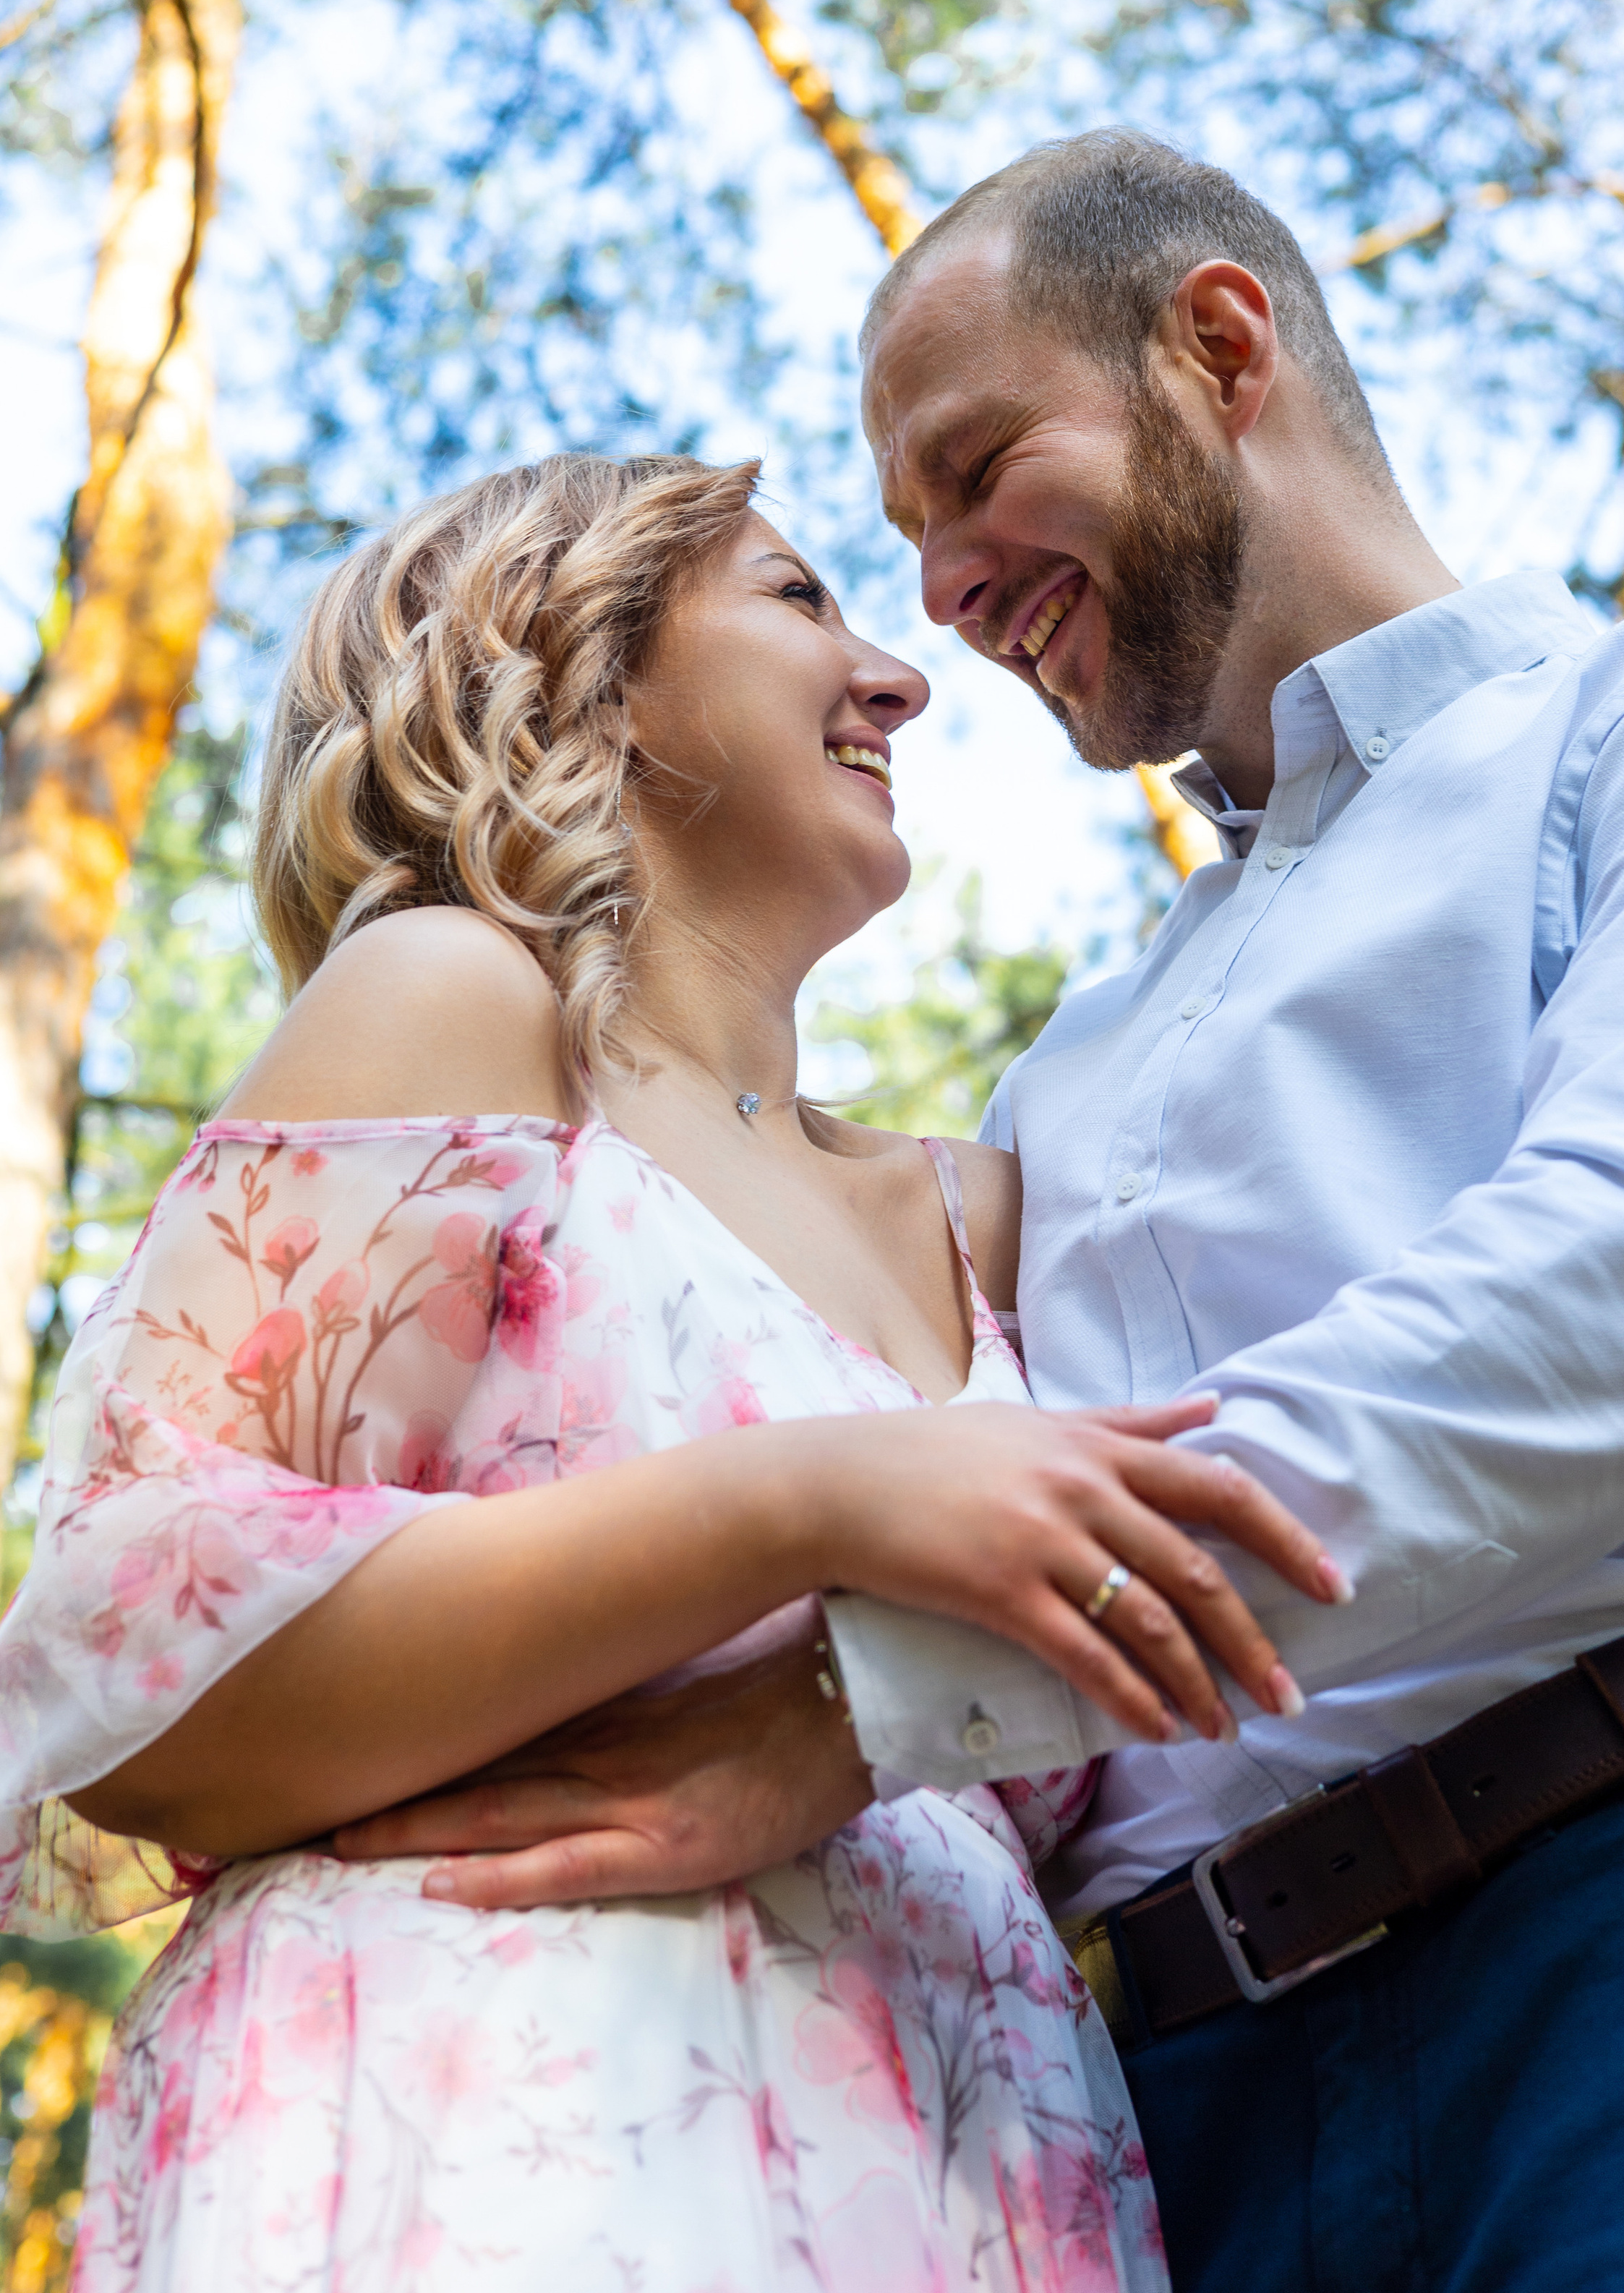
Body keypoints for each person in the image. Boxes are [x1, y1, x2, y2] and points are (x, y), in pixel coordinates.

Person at [354, 134, 1624, 2293]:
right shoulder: (1069, 1072)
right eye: (895, 540)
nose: (943, 595)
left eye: (978, 469)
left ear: (1217, 345)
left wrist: (860, 1706)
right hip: (1169, 2118)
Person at [0, 448, 1354, 2290]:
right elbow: (129, 1670)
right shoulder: (454, 1002)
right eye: (801, 600)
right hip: (491, 2120)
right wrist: (803, 1498)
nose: (901, 675)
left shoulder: (988, 1219)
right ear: (570, 667)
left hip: (978, 2176)